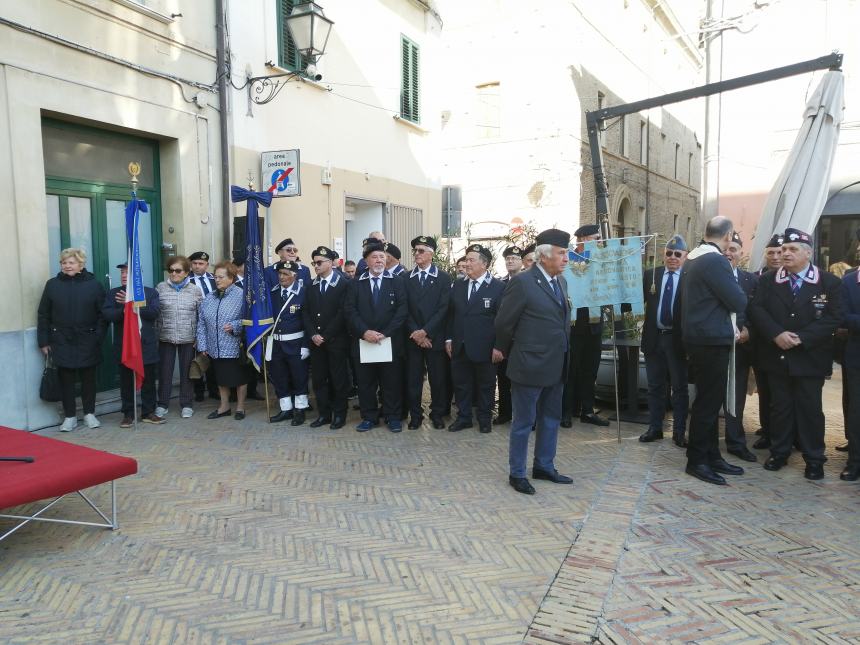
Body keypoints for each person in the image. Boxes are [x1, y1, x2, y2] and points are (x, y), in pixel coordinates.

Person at [749, 228, 842, 480]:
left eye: (792, 249)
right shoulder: (768, 280)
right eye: (783, 249)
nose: (785, 254)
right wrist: (776, 334)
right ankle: (779, 452)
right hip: (777, 355)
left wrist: (803, 338)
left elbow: (833, 318)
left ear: (808, 253)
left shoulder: (828, 282)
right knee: (780, 408)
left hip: (810, 358)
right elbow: (757, 310)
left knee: (810, 409)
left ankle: (814, 459)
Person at [494, 228, 573, 495]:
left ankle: (544, 465)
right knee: (524, 422)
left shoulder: (560, 282)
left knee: (551, 418)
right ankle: (517, 472)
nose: (566, 258)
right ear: (544, 255)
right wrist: (503, 351)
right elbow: (505, 323)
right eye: (562, 253)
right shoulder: (523, 282)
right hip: (529, 364)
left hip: (556, 363)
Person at [680, 216, 748, 485]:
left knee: (707, 401)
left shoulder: (695, 257)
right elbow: (738, 300)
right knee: (708, 404)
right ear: (729, 235)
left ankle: (711, 455)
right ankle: (697, 460)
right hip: (710, 340)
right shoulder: (714, 260)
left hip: (700, 338)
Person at [37, 248, 107, 431]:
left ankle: (89, 414)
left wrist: (98, 336)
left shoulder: (94, 285)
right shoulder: (52, 285)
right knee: (66, 379)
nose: (67, 266)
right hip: (61, 339)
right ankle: (69, 417)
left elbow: (103, 315)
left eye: (71, 262)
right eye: (64, 262)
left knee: (88, 379)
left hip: (88, 339)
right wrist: (43, 341)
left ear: (81, 264)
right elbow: (43, 314)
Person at [344, 241, 408, 432]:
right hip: (364, 342)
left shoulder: (397, 281)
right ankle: (369, 417)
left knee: (391, 382)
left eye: (382, 257)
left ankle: (392, 417)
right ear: (366, 261)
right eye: (375, 257)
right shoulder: (356, 283)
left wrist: (385, 333)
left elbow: (402, 310)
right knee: (366, 383)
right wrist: (365, 332)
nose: (380, 260)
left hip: (389, 341)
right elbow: (349, 311)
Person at [446, 244, 506, 434]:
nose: (467, 263)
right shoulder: (459, 285)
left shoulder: (498, 287)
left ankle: (484, 418)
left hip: (485, 347)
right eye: (466, 259)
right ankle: (464, 418)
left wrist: (499, 346)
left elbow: (503, 320)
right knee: (461, 384)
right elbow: (451, 314)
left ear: (484, 264)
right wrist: (449, 339)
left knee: (486, 385)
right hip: (460, 345)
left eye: (471, 260)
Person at [639, 235, 689, 447]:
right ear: (664, 254)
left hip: (677, 341)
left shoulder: (690, 277)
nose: (673, 257)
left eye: (678, 254)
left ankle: (678, 431)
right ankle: (655, 427)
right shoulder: (652, 275)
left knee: (679, 388)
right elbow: (637, 300)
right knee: (655, 386)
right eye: (669, 253)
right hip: (654, 338)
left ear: (685, 256)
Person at [102, 263, 164, 427]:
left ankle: (148, 411)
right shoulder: (114, 294)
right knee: (126, 382)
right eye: (122, 272)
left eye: (127, 272)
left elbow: (154, 312)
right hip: (126, 346)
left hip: (146, 345)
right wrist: (124, 309)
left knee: (149, 381)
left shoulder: (150, 293)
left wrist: (135, 304)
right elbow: (107, 314)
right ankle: (128, 414)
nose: (123, 275)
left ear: (137, 276)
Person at [562, 224, 609, 428]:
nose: (598, 242)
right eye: (594, 238)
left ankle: (587, 410)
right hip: (573, 323)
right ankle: (566, 411)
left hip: (594, 323)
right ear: (581, 240)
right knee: (571, 369)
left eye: (598, 239)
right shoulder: (567, 260)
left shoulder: (600, 261)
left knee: (590, 370)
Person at [405, 235, 451, 429]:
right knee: (413, 379)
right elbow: (403, 309)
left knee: (438, 379)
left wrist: (426, 332)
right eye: (415, 250)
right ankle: (415, 415)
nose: (417, 254)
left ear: (431, 254)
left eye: (421, 250)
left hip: (435, 337)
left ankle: (437, 413)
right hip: (413, 338)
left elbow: (443, 309)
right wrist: (417, 332)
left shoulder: (443, 278)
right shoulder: (406, 278)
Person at [302, 245, 350, 429]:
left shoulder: (343, 283)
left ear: (331, 263)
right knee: (319, 379)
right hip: (317, 342)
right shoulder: (311, 286)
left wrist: (326, 335)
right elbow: (305, 312)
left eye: (320, 262)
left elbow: (343, 312)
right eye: (314, 262)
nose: (316, 266)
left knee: (338, 379)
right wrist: (313, 334)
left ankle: (339, 414)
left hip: (336, 341)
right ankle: (324, 414)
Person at [722, 232, 758, 462]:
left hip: (741, 347)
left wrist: (749, 331)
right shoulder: (709, 276)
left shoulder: (751, 280)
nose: (728, 252)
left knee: (736, 398)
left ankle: (736, 443)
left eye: (733, 248)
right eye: (725, 248)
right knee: (710, 396)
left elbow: (758, 311)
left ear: (740, 254)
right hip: (714, 346)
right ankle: (704, 443)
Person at [196, 261, 247, 420]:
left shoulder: (241, 295)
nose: (217, 280)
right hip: (215, 347)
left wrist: (235, 326)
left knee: (239, 378)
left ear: (231, 277)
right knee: (221, 378)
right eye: (215, 277)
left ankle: (240, 407)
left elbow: (249, 321)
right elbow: (201, 323)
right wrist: (203, 344)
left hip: (234, 345)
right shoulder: (210, 297)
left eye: (220, 277)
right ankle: (224, 407)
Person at [155, 256, 202, 419]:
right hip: (165, 336)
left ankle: (186, 404)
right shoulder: (160, 288)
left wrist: (199, 336)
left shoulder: (195, 290)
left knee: (187, 372)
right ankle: (162, 404)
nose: (174, 273)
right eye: (171, 270)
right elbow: (155, 313)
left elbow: (200, 315)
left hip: (188, 337)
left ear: (186, 273)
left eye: (178, 270)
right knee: (165, 372)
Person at [267, 260, 311, 426]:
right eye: (279, 273)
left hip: (296, 343)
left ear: (294, 275)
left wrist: (306, 345)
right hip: (277, 344)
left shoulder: (303, 293)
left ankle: (300, 409)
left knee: (299, 377)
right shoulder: (273, 293)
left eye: (285, 274)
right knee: (280, 377)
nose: (281, 277)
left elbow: (308, 321)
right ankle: (286, 409)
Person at [751, 233, 784, 450]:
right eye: (770, 253)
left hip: (787, 346)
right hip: (763, 346)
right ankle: (767, 431)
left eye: (779, 252)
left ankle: (789, 434)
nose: (775, 257)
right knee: (765, 392)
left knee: (785, 394)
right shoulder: (756, 278)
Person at [495, 244, 525, 425]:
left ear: (521, 262)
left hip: (522, 339)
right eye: (507, 259)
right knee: (503, 378)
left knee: (522, 380)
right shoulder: (500, 284)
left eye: (514, 258)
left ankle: (521, 414)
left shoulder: (528, 282)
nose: (510, 261)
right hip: (504, 340)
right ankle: (504, 412)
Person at [189, 251, 218, 402]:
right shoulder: (187, 280)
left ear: (207, 265)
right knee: (197, 357)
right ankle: (198, 390)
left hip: (213, 323)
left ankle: (214, 389)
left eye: (201, 264)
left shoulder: (214, 279)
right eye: (195, 263)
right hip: (195, 322)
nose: (197, 266)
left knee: (212, 356)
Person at [840, 267, 860, 480]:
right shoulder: (848, 282)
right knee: (857, 412)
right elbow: (842, 316)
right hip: (857, 357)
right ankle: (855, 462)